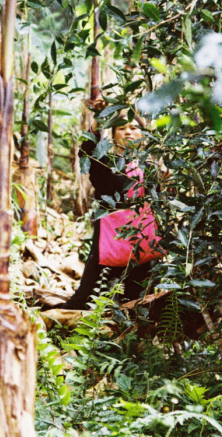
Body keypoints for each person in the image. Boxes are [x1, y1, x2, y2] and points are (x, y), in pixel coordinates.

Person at [52, 97, 161, 311]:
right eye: (121, 128)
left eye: (133, 128)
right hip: (110, 236)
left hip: (143, 238)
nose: (128, 132)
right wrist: (99, 118)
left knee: (138, 294)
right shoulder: (105, 164)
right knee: (89, 295)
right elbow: (86, 152)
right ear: (113, 135)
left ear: (143, 135)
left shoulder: (149, 168)